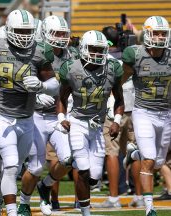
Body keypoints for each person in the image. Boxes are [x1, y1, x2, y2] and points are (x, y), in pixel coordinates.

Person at [0, 9, 59, 216]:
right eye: (19, 30)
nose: (24, 35)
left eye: (28, 31)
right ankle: (12, 212)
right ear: (9, 29)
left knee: (14, 169)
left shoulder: (39, 50)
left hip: (26, 118)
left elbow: (53, 83)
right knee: (10, 165)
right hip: (1, 115)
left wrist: (41, 86)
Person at [52, 30, 124, 216]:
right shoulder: (71, 68)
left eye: (100, 50)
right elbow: (61, 97)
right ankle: (86, 212)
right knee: (83, 169)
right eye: (93, 49)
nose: (97, 54)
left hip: (97, 125)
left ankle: (47, 185)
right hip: (77, 122)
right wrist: (62, 118)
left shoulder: (112, 68)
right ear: (83, 48)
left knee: (94, 177)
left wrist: (116, 121)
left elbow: (119, 99)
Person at [17, 15, 75, 216]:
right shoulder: (34, 52)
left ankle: (46, 185)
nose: (60, 38)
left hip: (59, 117)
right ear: (44, 34)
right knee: (35, 166)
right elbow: (17, 81)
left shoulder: (72, 55)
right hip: (36, 116)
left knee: (70, 158)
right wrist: (37, 95)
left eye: (63, 34)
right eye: (56, 33)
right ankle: (24, 202)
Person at [122, 16, 171, 216]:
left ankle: (134, 154)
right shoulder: (135, 55)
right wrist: (117, 104)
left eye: (163, 33)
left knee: (159, 162)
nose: (160, 37)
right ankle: (150, 208)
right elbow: (122, 79)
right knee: (150, 160)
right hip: (143, 112)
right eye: (156, 33)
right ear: (147, 33)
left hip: (166, 113)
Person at [96, 26, 143, 208]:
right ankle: (139, 196)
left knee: (112, 153)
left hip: (114, 106)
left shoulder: (104, 57)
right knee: (135, 151)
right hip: (135, 106)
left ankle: (114, 198)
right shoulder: (131, 54)